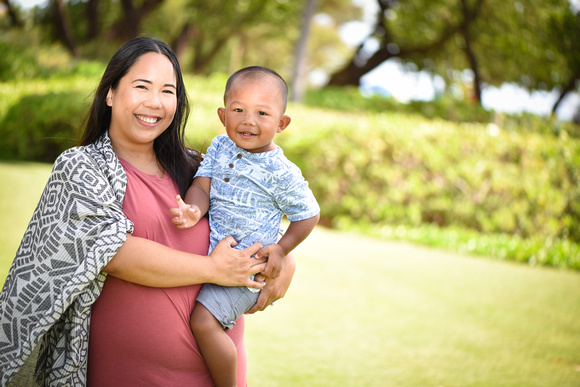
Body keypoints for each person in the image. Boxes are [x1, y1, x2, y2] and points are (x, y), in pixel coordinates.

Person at [0, 37, 296, 386]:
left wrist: (285, 258)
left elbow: (253, 223)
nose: (154, 102)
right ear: (110, 93)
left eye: (167, 91)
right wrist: (214, 269)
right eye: (142, 86)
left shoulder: (198, 169)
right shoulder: (82, 167)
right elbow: (114, 253)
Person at [169, 66, 320, 387]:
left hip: (246, 268)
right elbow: (202, 185)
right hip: (217, 259)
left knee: (203, 323)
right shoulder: (221, 147)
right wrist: (195, 209)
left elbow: (308, 214)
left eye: (262, 113)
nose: (248, 120)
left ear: (282, 124)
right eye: (238, 110)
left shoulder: (281, 171)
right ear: (223, 116)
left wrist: (281, 248)